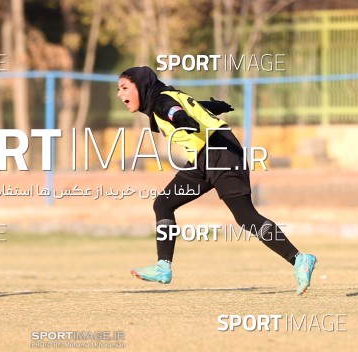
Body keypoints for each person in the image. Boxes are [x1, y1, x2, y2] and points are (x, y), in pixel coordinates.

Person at [117, 66, 316, 296]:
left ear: (142, 85)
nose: (120, 94)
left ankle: (300, 259)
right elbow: (186, 106)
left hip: (221, 152)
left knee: (246, 217)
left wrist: (181, 119)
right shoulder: (163, 97)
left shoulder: (161, 101)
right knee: (163, 203)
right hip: (203, 157)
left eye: (124, 88)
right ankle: (163, 267)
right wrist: (212, 108)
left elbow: (171, 110)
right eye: (118, 89)